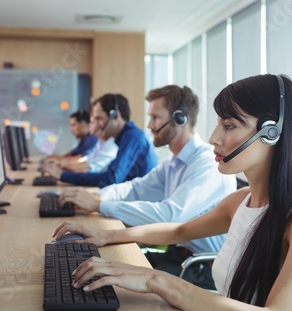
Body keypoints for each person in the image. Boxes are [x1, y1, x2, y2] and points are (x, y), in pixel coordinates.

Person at [52, 74, 292, 310]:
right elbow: (179, 231)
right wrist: (106, 235)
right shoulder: (241, 201)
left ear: (271, 133)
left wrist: (157, 280)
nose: (214, 138)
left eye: (229, 126)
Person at [55, 85, 236, 288]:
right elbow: (135, 188)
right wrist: (96, 197)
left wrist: (99, 206)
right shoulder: (173, 163)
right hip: (179, 256)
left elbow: (170, 216)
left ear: (180, 119)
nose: (149, 125)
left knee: (109, 281)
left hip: (204, 268)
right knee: (96, 266)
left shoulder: (207, 164)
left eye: (155, 117)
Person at [43, 94, 158, 188]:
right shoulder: (122, 138)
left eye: (99, 119)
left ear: (115, 115)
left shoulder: (133, 137)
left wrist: (63, 175)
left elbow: (111, 179)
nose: (95, 125)